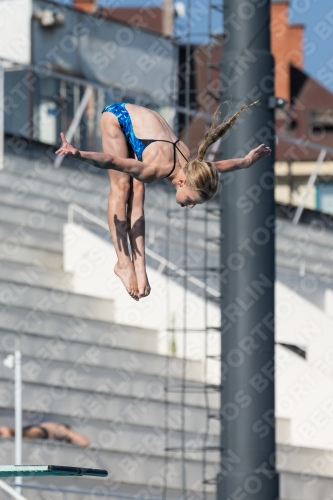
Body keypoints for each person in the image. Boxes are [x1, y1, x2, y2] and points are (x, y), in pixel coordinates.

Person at [55, 101, 271, 301]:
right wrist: (78, 153)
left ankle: (139, 266)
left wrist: (245, 161)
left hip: (145, 130)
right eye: (191, 200)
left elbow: (219, 167)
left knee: (138, 193)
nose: (190, 205)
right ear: (183, 180)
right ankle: (122, 261)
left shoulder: (195, 168)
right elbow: (112, 161)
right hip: (117, 117)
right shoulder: (155, 169)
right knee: (122, 187)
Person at [0, 422, 90, 447]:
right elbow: (85, 442)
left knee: (29, 434)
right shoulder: (63, 430)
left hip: (42, 430)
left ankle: (9, 432)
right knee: (30, 434)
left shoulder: (60, 428)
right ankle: (8, 431)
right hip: (45, 431)